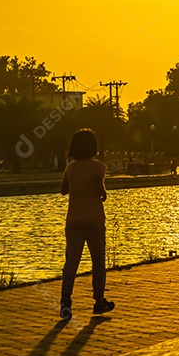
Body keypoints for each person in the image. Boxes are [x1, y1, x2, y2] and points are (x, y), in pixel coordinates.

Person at [59, 128, 115, 320]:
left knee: (71, 262)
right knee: (98, 261)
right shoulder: (99, 167)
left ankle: (65, 300)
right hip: (94, 221)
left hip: (73, 220)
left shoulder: (70, 168)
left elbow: (63, 190)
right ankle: (99, 301)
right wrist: (103, 192)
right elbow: (100, 190)